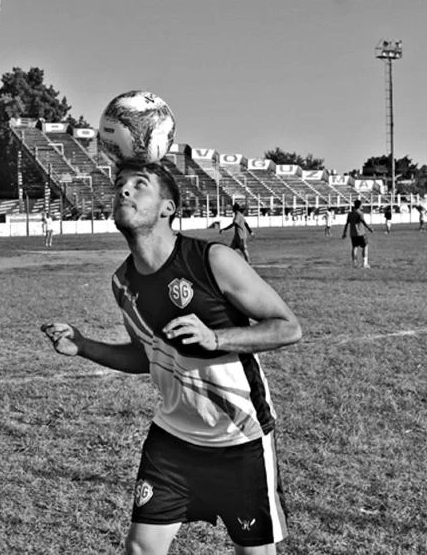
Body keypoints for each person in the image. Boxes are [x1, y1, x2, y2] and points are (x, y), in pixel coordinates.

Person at [41, 159, 302, 555]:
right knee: (141, 548)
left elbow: (287, 327)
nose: (124, 191)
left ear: (168, 208)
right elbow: (146, 356)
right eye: (120, 185)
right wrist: (83, 345)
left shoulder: (212, 260)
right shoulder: (122, 282)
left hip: (238, 437)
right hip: (173, 439)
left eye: (139, 185)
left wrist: (216, 338)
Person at [343, 199, 373, 268]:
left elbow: (347, 223)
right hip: (361, 233)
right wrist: (369, 228)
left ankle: (354, 264)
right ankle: (365, 263)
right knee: (365, 246)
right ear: (359, 205)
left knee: (354, 247)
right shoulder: (360, 213)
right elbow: (363, 221)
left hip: (353, 234)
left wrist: (344, 232)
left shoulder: (350, 213)